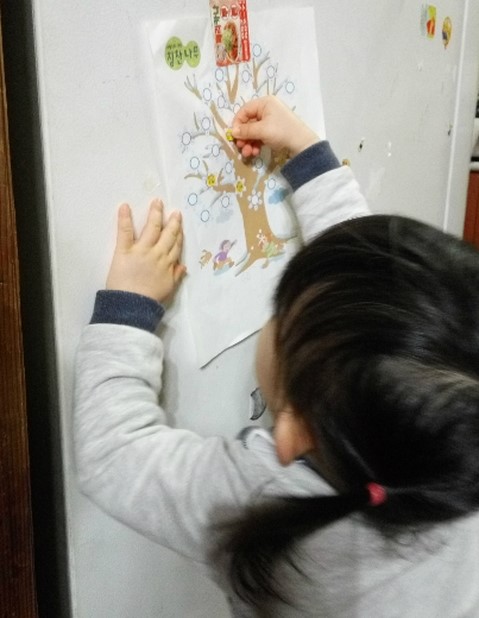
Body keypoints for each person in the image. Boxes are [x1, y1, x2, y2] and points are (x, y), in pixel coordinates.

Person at [74, 96, 479, 617]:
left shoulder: (261, 493)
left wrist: (129, 306)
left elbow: (113, 456)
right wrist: (307, 156)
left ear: (293, 431)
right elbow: (368, 309)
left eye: (284, 313)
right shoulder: (457, 461)